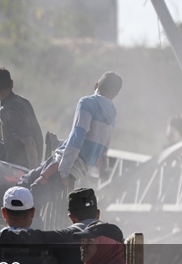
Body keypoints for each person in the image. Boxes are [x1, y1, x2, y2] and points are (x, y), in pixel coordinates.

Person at [22, 72, 122, 210]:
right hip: (75, 171)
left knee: (29, 201)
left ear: (96, 85)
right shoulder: (112, 117)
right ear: (115, 95)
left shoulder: (87, 103)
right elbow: (92, 147)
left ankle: (20, 229)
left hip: (61, 166)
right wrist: (58, 144)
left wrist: (64, 171)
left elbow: (78, 137)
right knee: (29, 191)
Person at [0, 67, 44, 170]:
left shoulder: (6, 111)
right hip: (29, 161)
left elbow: (29, 143)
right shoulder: (22, 102)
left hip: (20, 167)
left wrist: (33, 174)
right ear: (11, 83)